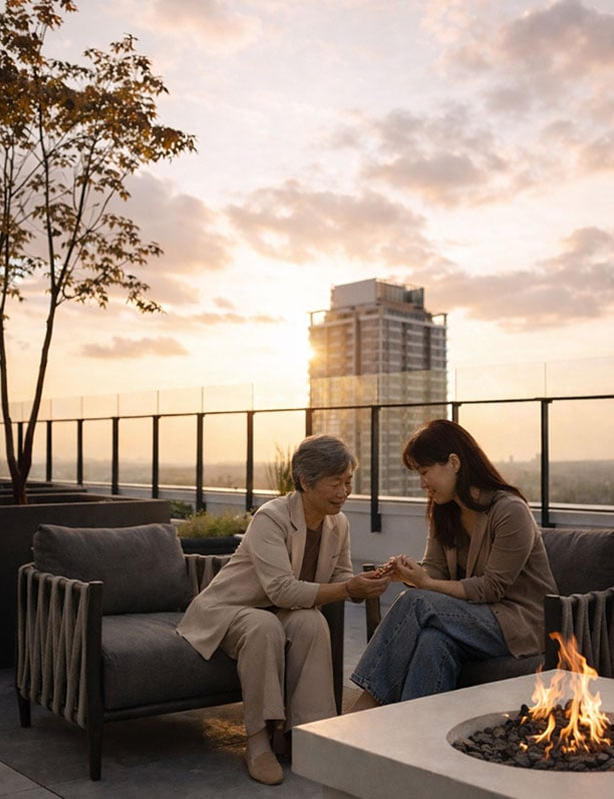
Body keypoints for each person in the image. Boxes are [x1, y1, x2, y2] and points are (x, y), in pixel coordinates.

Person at [177, 434, 391, 785]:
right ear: (305, 481)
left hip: (281, 610)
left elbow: (339, 579)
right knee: (264, 626)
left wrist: (365, 586)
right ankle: (258, 741)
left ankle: (308, 734)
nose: (344, 492)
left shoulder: (339, 524)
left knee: (310, 623)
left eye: (348, 482)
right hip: (233, 609)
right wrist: (347, 588)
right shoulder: (271, 518)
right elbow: (281, 588)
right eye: (335, 483)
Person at [349, 418, 557, 711]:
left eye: (425, 472)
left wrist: (426, 585)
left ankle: (365, 706)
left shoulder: (510, 511)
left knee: (416, 603)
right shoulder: (444, 511)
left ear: (454, 462)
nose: (423, 483)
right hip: (471, 618)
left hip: (518, 624)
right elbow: (435, 570)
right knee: (433, 644)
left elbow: (491, 588)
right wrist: (408, 574)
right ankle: (411, 738)